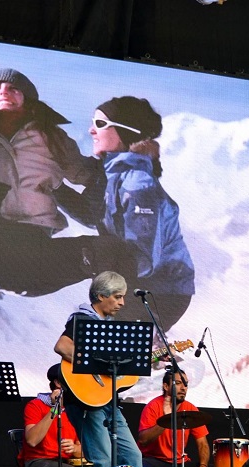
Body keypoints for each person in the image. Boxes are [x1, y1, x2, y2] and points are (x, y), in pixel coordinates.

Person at [0, 69, 135, 297]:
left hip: (35, 237)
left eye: (13, 88)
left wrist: (130, 159)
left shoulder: (51, 137)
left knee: (109, 252)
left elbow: (87, 174)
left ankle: (124, 317)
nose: (3, 91)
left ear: (27, 97)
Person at [59, 96, 194, 328]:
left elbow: (144, 259)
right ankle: (147, 350)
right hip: (140, 285)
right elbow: (92, 215)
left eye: (100, 124)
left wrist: (94, 262)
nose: (91, 130)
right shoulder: (112, 175)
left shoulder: (137, 185)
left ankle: (151, 348)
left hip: (161, 291)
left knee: (103, 347)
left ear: (125, 132)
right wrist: (55, 189)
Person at [54, 271, 143, 467]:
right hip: (86, 401)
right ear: (101, 296)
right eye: (117, 297)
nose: (122, 303)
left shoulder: (108, 327)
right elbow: (62, 346)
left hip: (108, 401)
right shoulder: (82, 319)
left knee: (133, 456)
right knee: (103, 459)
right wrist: (93, 366)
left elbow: (118, 371)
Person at [20, 363, 87, 467]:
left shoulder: (75, 409)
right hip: (37, 463)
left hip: (66, 463)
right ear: (57, 382)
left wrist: (74, 448)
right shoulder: (35, 405)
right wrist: (55, 408)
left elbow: (85, 450)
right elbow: (32, 440)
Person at [137, 369, 211, 467]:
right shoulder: (153, 406)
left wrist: (203, 466)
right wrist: (166, 419)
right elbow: (143, 440)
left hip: (180, 463)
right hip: (156, 461)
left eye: (186, 384)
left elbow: (202, 443)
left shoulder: (190, 408)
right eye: (178, 383)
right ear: (166, 386)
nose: (183, 388)